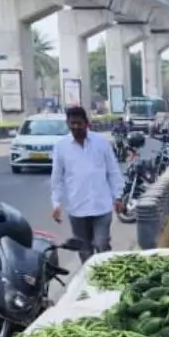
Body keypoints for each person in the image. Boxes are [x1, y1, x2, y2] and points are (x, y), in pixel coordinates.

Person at [47, 103, 126, 259]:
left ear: (86, 123)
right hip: (77, 208)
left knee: (101, 243)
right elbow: (57, 178)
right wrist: (56, 204)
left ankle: (106, 279)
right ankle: (89, 281)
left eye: (79, 123)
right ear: (68, 124)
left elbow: (113, 171)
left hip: (101, 206)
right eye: (72, 123)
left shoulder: (101, 143)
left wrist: (118, 196)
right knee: (84, 250)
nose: (76, 127)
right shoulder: (61, 147)